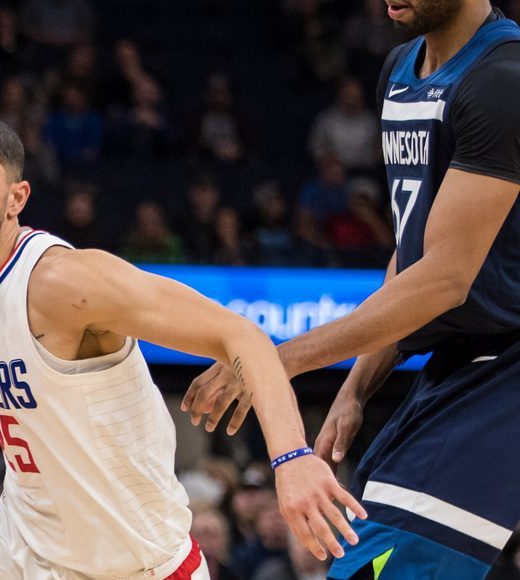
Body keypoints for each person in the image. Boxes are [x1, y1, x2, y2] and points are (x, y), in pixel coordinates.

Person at [0, 114, 363, 579]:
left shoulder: (64, 282)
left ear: (16, 199)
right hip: (16, 548)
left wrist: (292, 458)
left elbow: (241, 335)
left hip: (136, 565)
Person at [182, 0, 520, 578]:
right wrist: (357, 385)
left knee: (373, 564)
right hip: (459, 365)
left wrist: (272, 362)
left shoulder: (502, 80)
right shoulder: (400, 69)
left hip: (505, 367)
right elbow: (414, 252)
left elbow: (444, 278)